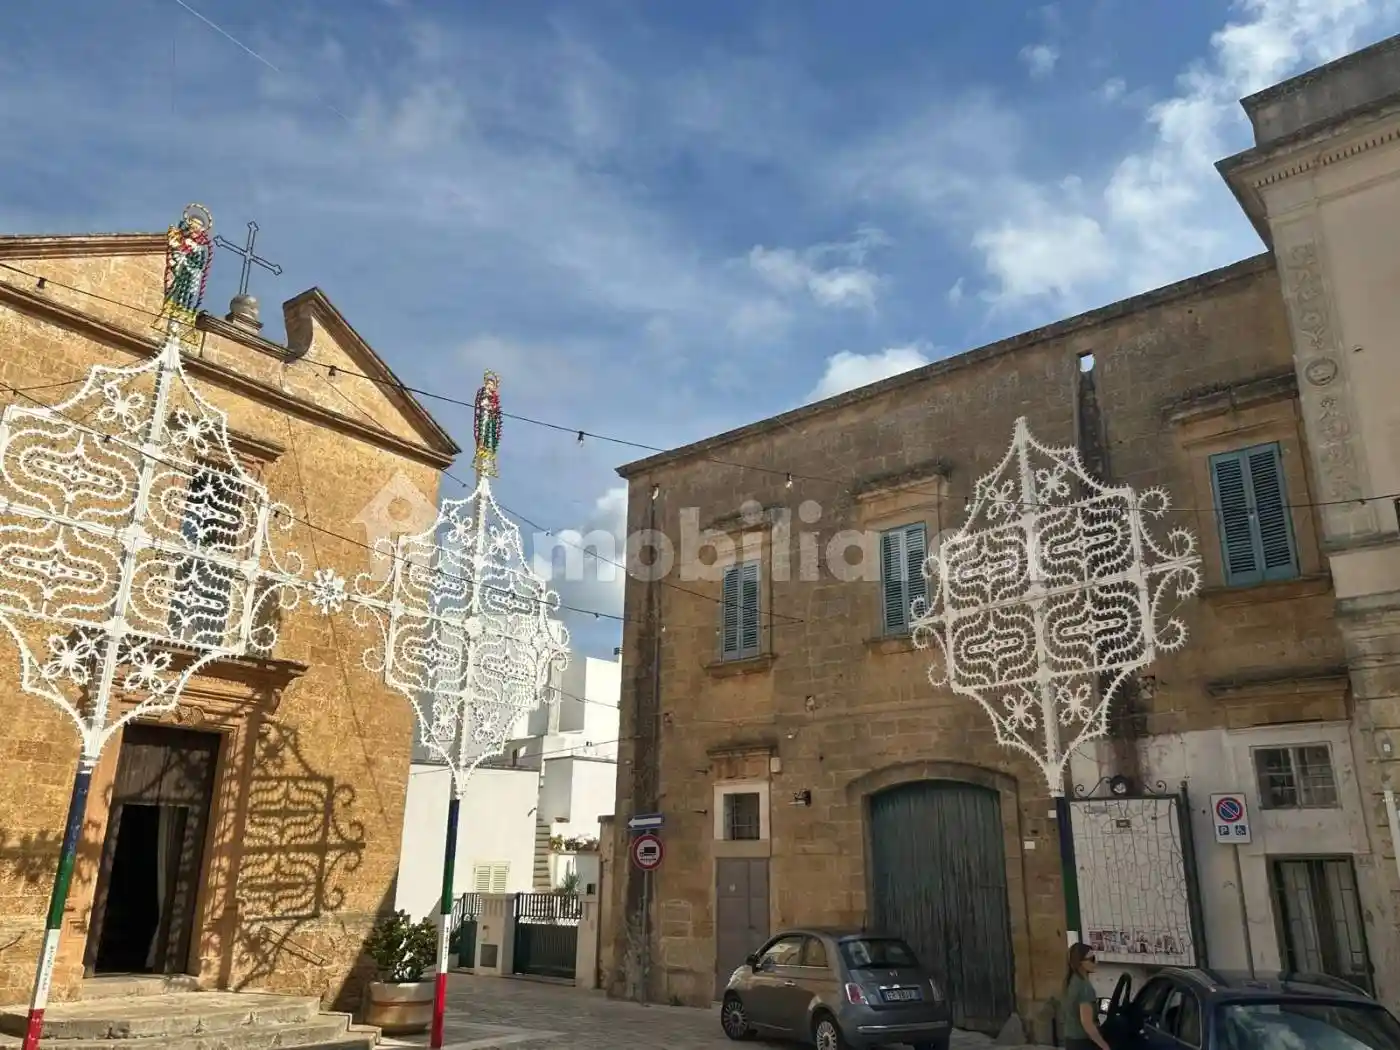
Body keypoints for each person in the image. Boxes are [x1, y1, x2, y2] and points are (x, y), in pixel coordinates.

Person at [1060, 943, 1111, 1050]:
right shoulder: (1085, 988)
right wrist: (1104, 1046)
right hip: (1083, 1042)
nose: (1095, 962)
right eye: (1091, 959)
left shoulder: (1070, 982)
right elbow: (1087, 1023)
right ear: (1080, 962)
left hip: (1070, 1040)